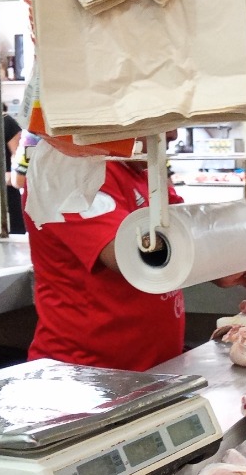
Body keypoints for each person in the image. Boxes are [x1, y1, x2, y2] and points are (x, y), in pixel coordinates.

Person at [25, 147, 186, 372]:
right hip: (84, 377)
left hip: (152, 372)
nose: (172, 134)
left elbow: (186, 225)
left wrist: (233, 261)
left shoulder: (140, 166)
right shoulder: (66, 167)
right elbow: (129, 253)